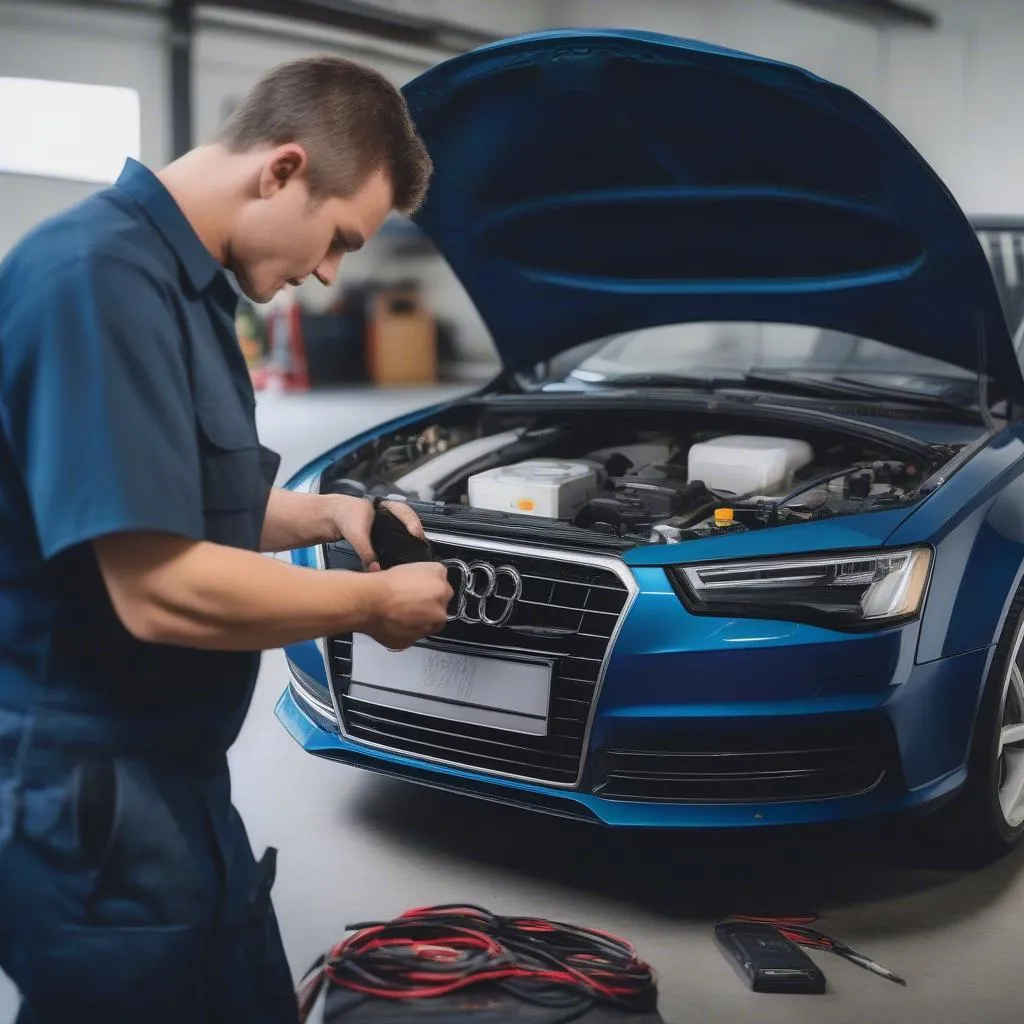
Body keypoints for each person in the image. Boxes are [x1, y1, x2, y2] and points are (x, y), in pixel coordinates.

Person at [0, 55, 453, 1022]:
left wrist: (333, 513)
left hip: (174, 776)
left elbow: (192, 497)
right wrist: (372, 605)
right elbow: (158, 583)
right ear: (283, 169)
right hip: (85, 793)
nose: (333, 271)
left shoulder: (190, 291)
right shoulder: (96, 280)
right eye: (339, 238)